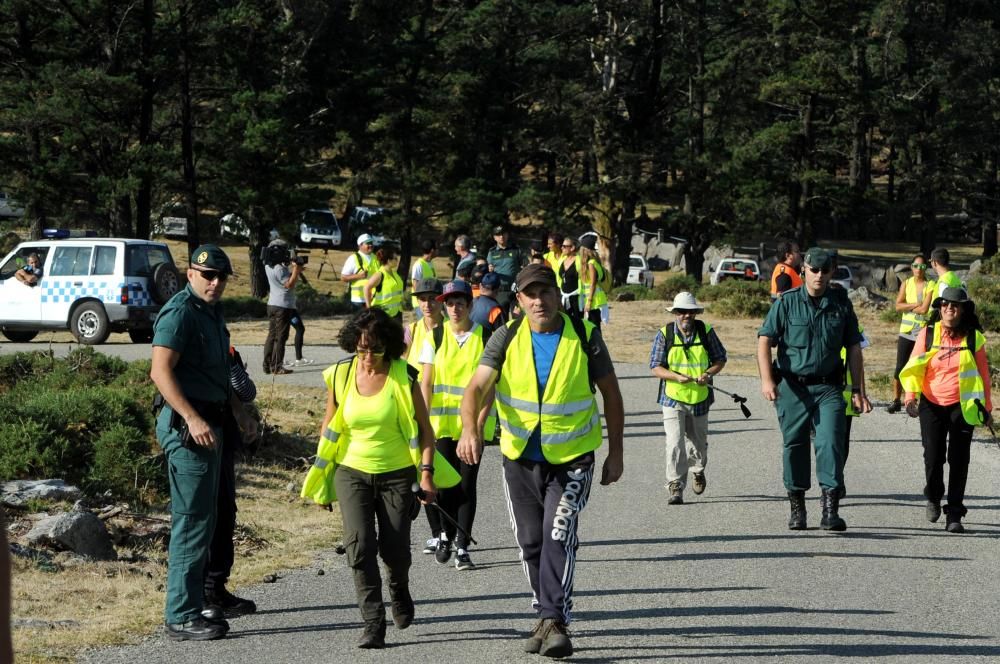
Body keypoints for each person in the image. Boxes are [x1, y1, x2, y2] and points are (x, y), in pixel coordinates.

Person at [457, 263, 625, 659]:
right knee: (530, 542)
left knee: (557, 533)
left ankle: (554, 618)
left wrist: (616, 452)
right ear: (518, 300)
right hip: (519, 459)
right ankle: (547, 615)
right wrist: (470, 429)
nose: (539, 301)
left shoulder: (584, 335)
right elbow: (476, 388)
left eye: (545, 292)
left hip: (572, 459)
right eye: (530, 294)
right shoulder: (506, 336)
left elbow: (612, 396)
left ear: (557, 295)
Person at [300, 309, 459, 649]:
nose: (368, 356)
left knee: (396, 549)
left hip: (397, 475)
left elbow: (426, 432)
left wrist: (427, 475)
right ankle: (373, 623)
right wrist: (323, 479)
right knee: (359, 546)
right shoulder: (341, 376)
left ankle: (399, 589)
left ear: (388, 345)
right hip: (351, 472)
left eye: (375, 348)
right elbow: (328, 429)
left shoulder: (404, 376)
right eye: (360, 349)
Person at [150, 244, 243, 641]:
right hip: (189, 429)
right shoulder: (180, 312)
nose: (215, 282)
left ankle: (203, 600)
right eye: (207, 275)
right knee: (191, 521)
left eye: (221, 276)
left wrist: (241, 413)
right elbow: (160, 371)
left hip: (212, 423)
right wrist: (190, 416)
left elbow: (219, 372)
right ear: (190, 274)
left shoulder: (211, 312)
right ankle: (181, 614)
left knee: (211, 516)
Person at [757, 247, 870, 532]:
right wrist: (767, 380)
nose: (819, 276)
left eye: (825, 270)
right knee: (794, 445)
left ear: (832, 272)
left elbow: (854, 347)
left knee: (830, 443)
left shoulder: (841, 304)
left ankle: (830, 510)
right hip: (792, 387)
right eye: (814, 270)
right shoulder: (787, 302)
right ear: (804, 270)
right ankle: (797, 508)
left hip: (829, 387)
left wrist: (857, 389)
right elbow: (764, 340)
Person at [900, 287, 991, 534]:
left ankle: (954, 512)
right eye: (945, 304)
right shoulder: (928, 334)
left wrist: (988, 407)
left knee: (959, 459)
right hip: (931, 403)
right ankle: (933, 496)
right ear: (940, 309)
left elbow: (984, 375)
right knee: (933, 456)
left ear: (963, 310)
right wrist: (910, 397)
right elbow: (914, 366)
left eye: (955, 305)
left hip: (963, 404)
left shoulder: (974, 338)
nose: (949, 308)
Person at [419, 280, 495, 571]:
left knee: (465, 485)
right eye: (449, 303)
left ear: (470, 304)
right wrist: (422, 423)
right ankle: (443, 535)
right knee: (439, 484)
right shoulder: (435, 337)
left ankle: (462, 545)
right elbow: (426, 383)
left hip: (471, 428)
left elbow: (489, 389)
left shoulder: (485, 337)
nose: (454, 308)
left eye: (460, 302)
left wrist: (475, 428)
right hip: (440, 426)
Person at [649, 292, 727, 505]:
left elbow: (721, 359)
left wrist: (708, 374)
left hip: (700, 397)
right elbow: (655, 366)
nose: (686, 315)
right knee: (674, 443)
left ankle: (698, 470)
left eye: (690, 311)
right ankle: (675, 485)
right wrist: (675, 377)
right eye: (682, 311)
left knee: (699, 443)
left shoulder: (706, 331)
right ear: (675, 313)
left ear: (695, 313)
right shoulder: (664, 334)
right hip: (672, 398)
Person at [202, 346, 259, 620]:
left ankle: (215, 588)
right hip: (193, 433)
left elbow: (246, 392)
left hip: (222, 430)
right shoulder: (181, 331)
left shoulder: (222, 343)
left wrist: (241, 414)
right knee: (203, 515)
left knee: (225, 511)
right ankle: (198, 595)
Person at [888, 255, 936, 413]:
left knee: (918, 367)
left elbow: (924, 310)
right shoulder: (906, 283)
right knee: (900, 367)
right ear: (911, 267)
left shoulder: (931, 284)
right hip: (906, 332)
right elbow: (897, 306)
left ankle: (914, 400)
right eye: (916, 266)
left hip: (922, 333)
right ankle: (896, 400)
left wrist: (908, 307)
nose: (918, 269)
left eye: (922, 266)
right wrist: (914, 304)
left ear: (925, 268)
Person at [262, 243, 306, 375]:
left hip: (272, 304)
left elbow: (282, 279)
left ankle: (267, 364)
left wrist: (295, 271)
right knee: (281, 337)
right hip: (283, 306)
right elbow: (289, 284)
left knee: (272, 335)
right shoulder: (280, 269)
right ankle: (277, 366)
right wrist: (297, 270)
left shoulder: (268, 266)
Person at [405, 278, 444, 380]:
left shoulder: (452, 328)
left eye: (432, 298)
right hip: (416, 393)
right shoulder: (411, 330)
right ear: (417, 301)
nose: (427, 305)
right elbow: (402, 364)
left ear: (442, 299)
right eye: (422, 299)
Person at [486, 225, 525, 312]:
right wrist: (489, 270)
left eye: (503, 234)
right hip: (500, 291)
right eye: (498, 235)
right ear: (494, 237)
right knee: (502, 318)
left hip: (515, 290)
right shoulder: (492, 252)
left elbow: (524, 266)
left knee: (517, 317)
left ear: (507, 235)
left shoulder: (516, 250)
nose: (501, 236)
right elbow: (488, 270)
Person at [364, 244, 404, 321]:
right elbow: (366, 287)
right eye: (395, 258)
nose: (397, 260)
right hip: (383, 316)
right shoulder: (380, 274)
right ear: (389, 261)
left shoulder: (395, 274)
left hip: (397, 313)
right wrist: (369, 308)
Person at [342, 234, 380, 312]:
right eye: (368, 243)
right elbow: (343, 278)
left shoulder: (376, 258)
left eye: (371, 243)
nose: (370, 245)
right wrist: (359, 276)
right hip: (358, 301)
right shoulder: (353, 258)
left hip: (374, 299)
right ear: (360, 245)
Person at [578, 235, 609, 329]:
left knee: (594, 328)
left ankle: (598, 344)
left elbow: (593, 284)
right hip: (594, 300)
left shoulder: (591, 264)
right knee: (593, 327)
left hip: (594, 302)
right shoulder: (593, 262)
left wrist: (589, 302)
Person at [410, 239, 437, 320]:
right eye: (437, 249)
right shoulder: (418, 265)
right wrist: (422, 301)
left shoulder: (430, 263)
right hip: (422, 304)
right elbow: (415, 285)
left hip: (430, 302)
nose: (438, 251)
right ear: (432, 250)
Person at [558, 237, 582, 320]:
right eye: (562, 246)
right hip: (563, 295)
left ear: (572, 248)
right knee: (564, 320)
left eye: (564, 246)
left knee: (577, 321)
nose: (561, 248)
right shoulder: (561, 260)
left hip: (576, 297)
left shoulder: (579, 261)